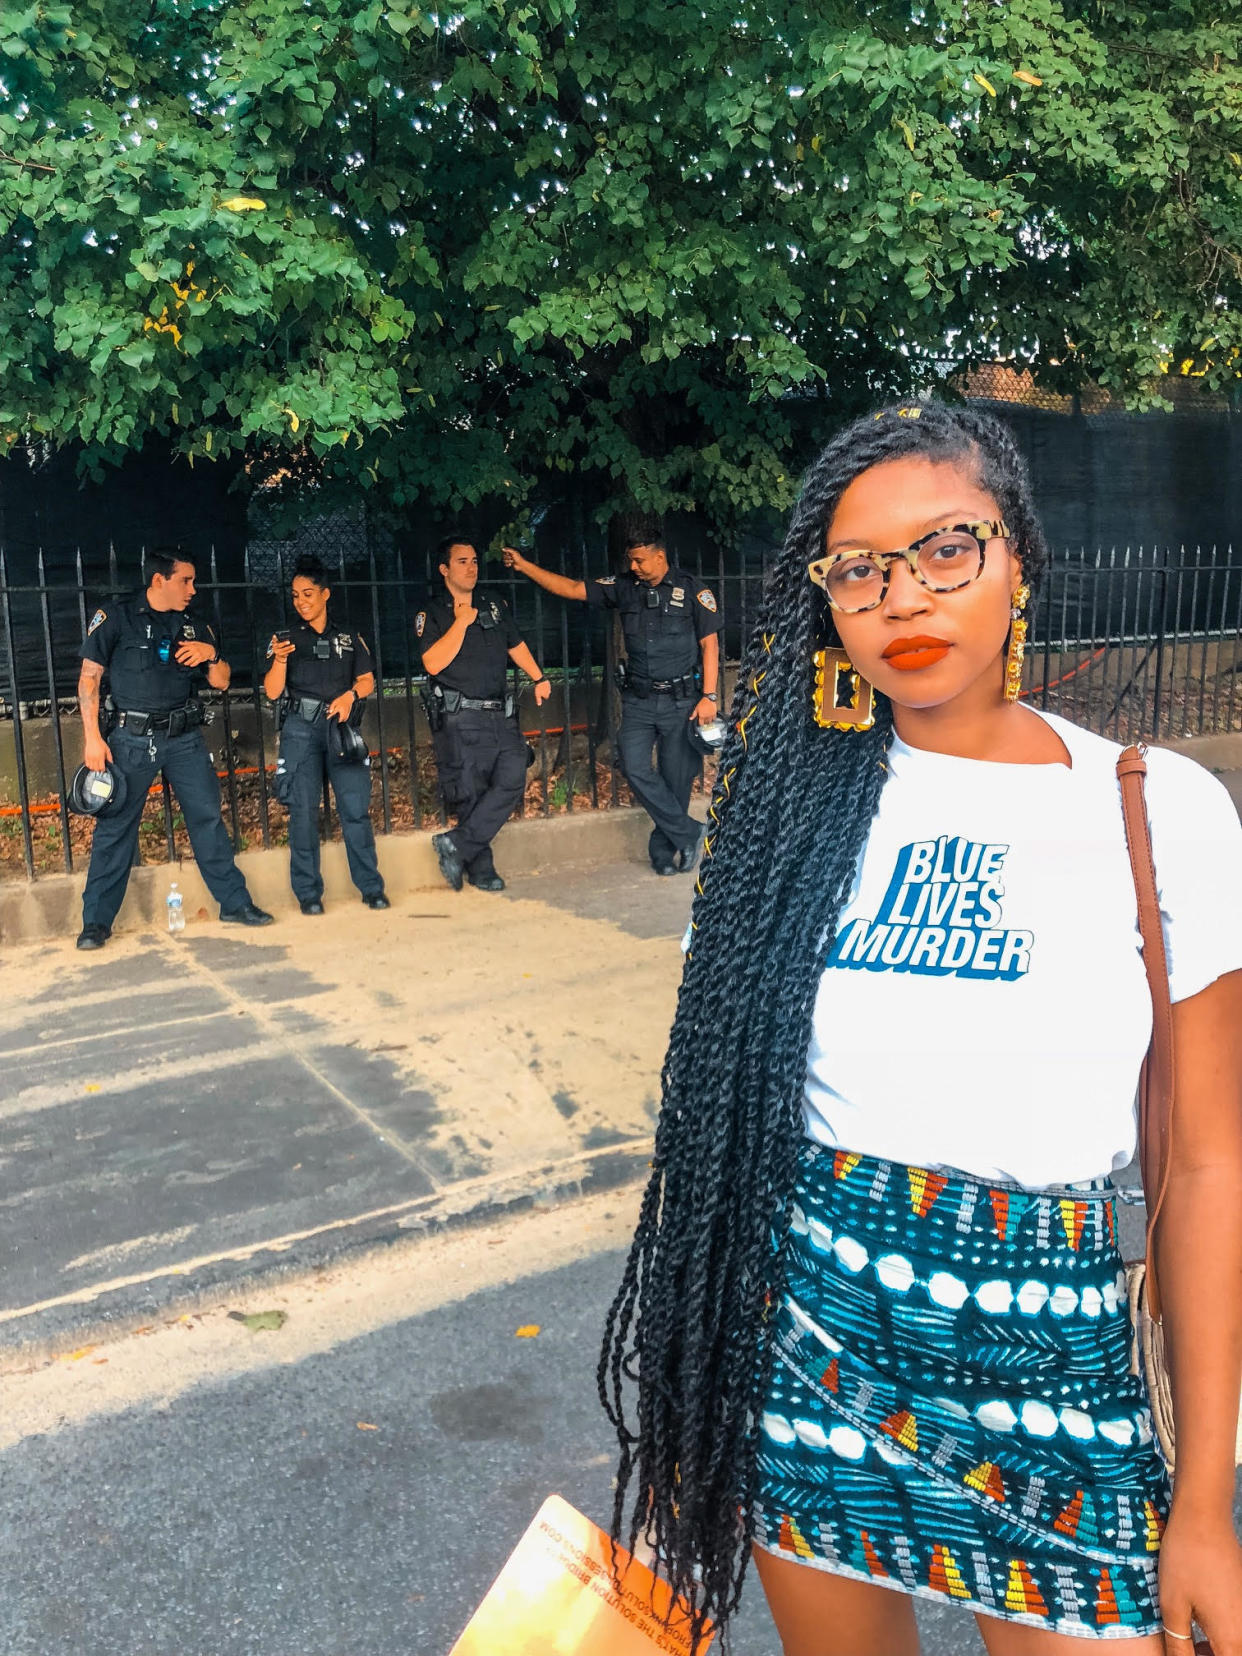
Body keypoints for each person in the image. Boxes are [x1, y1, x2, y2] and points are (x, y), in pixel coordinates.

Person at [599, 404, 1242, 1654]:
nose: (904, 595)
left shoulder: (1158, 808)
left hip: (1059, 1365)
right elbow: (721, 1127)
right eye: (861, 570)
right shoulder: (782, 817)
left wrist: (1207, 1500)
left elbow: (1208, 1163)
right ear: (828, 604)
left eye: (948, 548)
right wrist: (695, 1411)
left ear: (1020, 563)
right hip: (811, 1346)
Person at [75, 546, 273, 950]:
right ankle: (95, 923)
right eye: (185, 580)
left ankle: (235, 904)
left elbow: (221, 681)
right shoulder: (117, 617)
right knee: (114, 829)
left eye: (194, 581)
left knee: (207, 820)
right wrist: (92, 738)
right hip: (131, 740)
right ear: (159, 580)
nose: (193, 589)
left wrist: (211, 653)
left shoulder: (194, 626)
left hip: (184, 738)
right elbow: (89, 679)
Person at [503, 535, 722, 875]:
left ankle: (664, 853)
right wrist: (525, 565)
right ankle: (691, 833)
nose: (633, 567)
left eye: (639, 561)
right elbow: (574, 589)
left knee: (676, 779)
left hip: (682, 702)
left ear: (660, 557)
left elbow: (710, 645)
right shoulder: (625, 587)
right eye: (630, 561)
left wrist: (709, 696)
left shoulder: (693, 589)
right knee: (633, 766)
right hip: (638, 701)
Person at [417, 537, 552, 892]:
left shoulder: (493, 604)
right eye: (462, 561)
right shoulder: (433, 612)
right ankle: (481, 870)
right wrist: (460, 623)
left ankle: (456, 845)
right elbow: (431, 662)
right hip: (460, 716)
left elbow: (515, 643)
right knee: (471, 792)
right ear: (444, 569)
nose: (471, 567)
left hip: (499, 713)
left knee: (512, 779)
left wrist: (538, 677)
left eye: (475, 561)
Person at [262, 555, 389, 915]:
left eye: (308, 594)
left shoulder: (348, 637)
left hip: (341, 728)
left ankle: (371, 887)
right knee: (302, 814)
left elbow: (367, 680)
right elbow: (272, 691)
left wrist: (351, 695)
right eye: (295, 595)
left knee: (355, 809)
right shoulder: (284, 639)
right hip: (300, 730)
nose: (301, 601)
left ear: (325, 594)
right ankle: (308, 894)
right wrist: (281, 660)